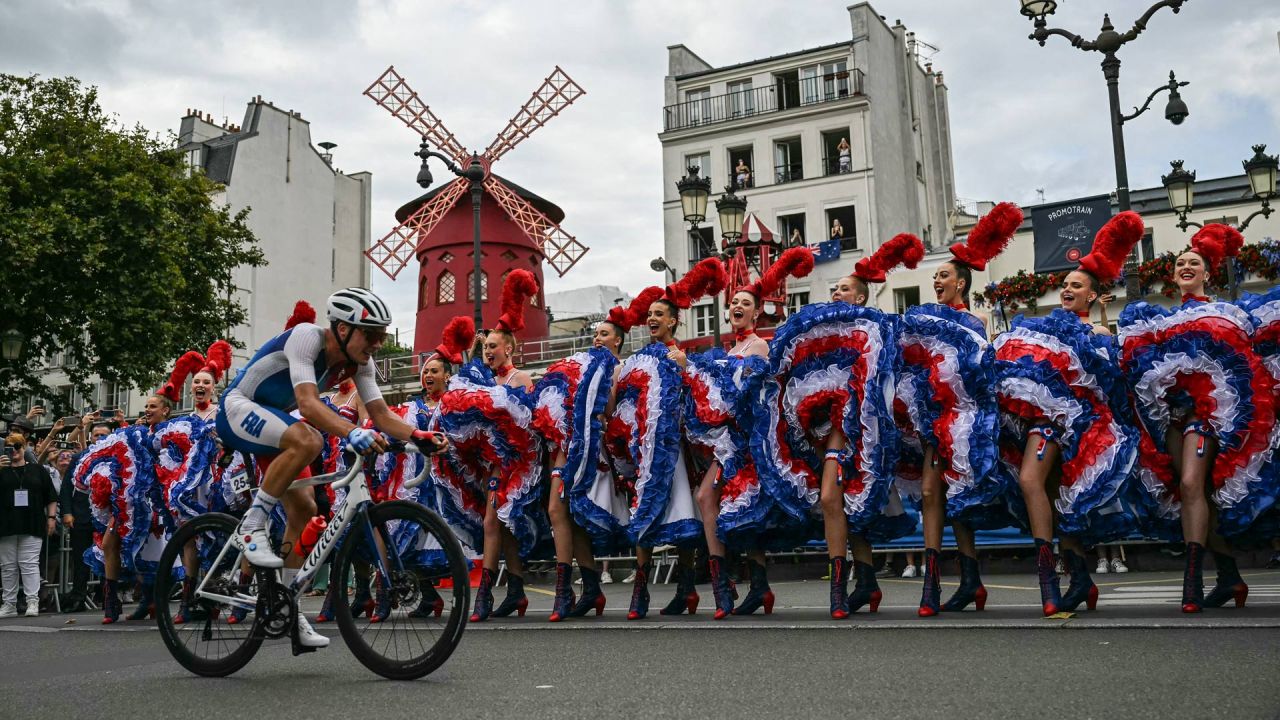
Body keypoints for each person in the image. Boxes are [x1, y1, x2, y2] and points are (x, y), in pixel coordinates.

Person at [223, 287, 445, 648]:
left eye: (382, 336)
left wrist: (418, 434)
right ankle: (250, 527)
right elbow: (308, 404)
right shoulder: (306, 338)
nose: (377, 344)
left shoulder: (360, 363)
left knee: (306, 509)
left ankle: (288, 611)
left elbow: (382, 415)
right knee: (310, 439)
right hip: (239, 406)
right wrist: (352, 432)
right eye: (371, 335)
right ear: (343, 329)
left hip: (273, 420)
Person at [993, 211, 1145, 616]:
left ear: (1092, 295)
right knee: (1048, 494)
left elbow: (1107, 387)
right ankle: (1076, 579)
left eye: (1075, 285)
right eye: (1064, 284)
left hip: (1078, 431)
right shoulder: (1044, 328)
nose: (1066, 289)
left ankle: (1055, 582)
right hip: (1041, 424)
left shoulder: (1099, 334)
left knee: (1039, 485)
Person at [1118, 224, 1275, 613]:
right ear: (1173, 276)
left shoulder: (1230, 311)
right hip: (1178, 420)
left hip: (1228, 419)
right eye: (1180, 263)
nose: (1186, 266)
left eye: (1194, 262)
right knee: (1192, 496)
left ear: (1208, 273)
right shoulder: (1160, 321)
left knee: (1194, 488)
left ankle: (1194, 585)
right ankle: (1227, 576)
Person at [905, 202, 1021, 617]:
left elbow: (979, 371)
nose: (937, 281)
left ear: (962, 284)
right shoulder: (925, 320)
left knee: (956, 495)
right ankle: (946, 582)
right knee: (935, 493)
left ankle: (964, 579)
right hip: (933, 420)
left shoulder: (973, 323)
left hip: (965, 421)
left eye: (944, 276)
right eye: (935, 276)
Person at [685, 247, 814, 617]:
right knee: (732, 508)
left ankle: (731, 587)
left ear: (756, 312)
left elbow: (749, 394)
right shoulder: (733, 346)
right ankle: (750, 586)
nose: (736, 307)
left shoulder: (757, 345)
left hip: (746, 442)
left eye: (744, 303)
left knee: (710, 499)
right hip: (728, 443)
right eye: (733, 303)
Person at [616, 258, 729, 620]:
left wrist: (683, 371)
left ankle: (686, 589)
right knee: (644, 514)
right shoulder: (635, 361)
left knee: (683, 515)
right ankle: (641, 590)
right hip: (645, 450)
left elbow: (698, 403)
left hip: (675, 448)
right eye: (649, 314)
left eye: (659, 314)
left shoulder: (682, 357)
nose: (652, 319)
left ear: (673, 321)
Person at [454, 270, 542, 622]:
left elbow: (530, 421)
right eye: (486, 346)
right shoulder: (484, 379)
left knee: (497, 522)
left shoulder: (521, 378)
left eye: (494, 346)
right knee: (497, 524)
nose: (488, 351)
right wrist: (475, 350)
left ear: (509, 348)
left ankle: (487, 594)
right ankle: (514, 590)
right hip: (494, 464)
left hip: (518, 464)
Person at [536, 316, 624, 621]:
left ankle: (580, 589)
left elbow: (612, 412)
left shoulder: (616, 368)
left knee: (571, 515)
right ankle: (581, 589)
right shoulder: (583, 365)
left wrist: (597, 390)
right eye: (595, 334)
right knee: (559, 511)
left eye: (604, 334)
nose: (597, 338)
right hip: (567, 446)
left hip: (596, 451)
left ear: (618, 341)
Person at [0, 432, 58, 618]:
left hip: (32, 521)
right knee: (7, 565)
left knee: (29, 563)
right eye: (9, 447)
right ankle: (9, 603)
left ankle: (32, 600)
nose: (14, 451)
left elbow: (50, 496)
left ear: (24, 448)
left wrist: (51, 518)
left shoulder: (37, 470)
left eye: (17, 446)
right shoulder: (2, 469)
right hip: (6, 523)